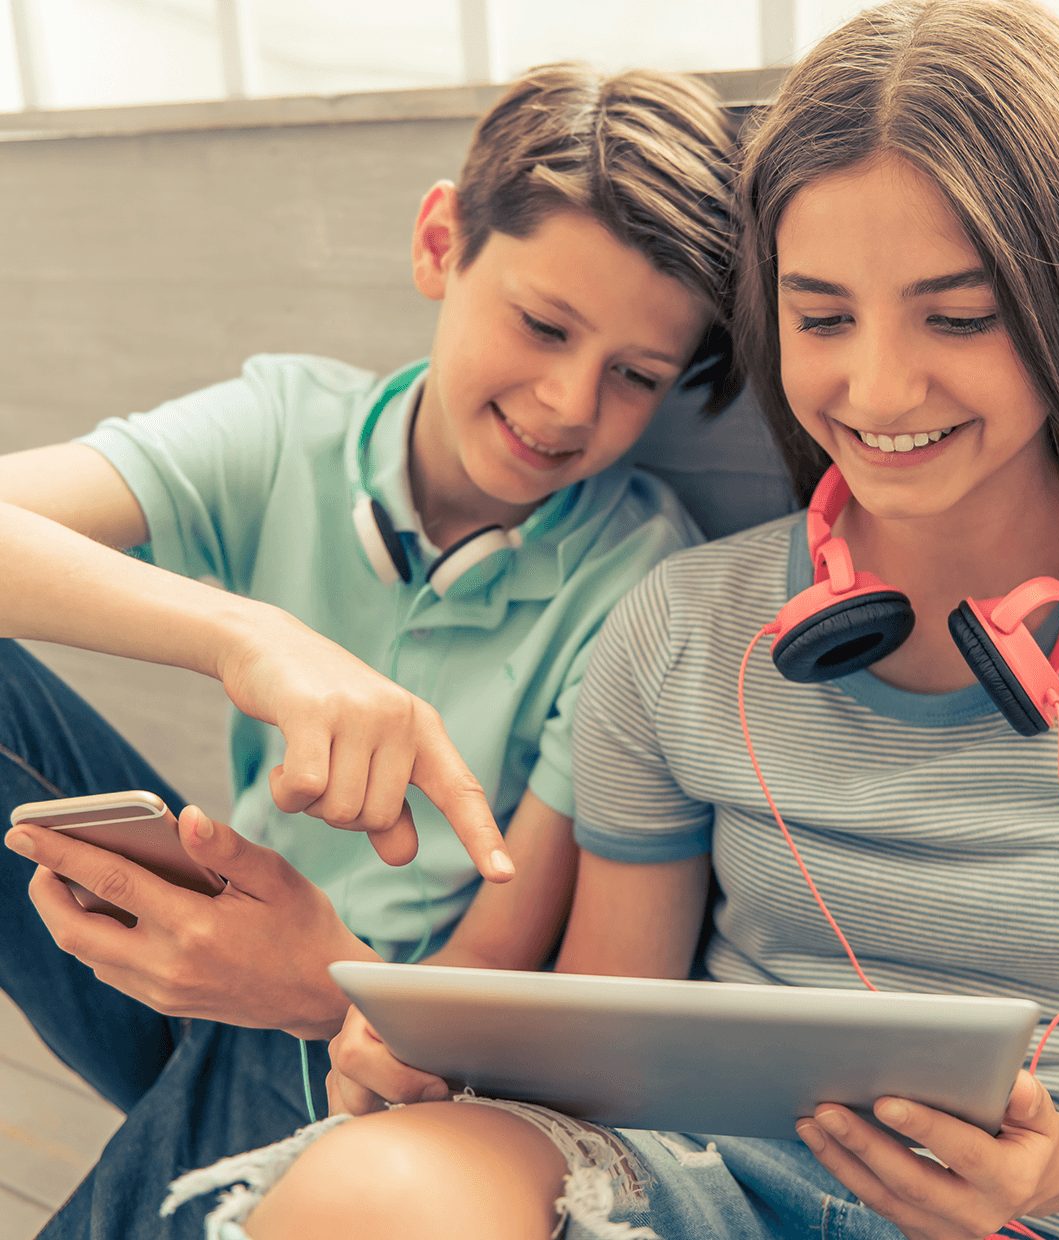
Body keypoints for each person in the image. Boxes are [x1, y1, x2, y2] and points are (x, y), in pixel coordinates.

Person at [226, 2, 1059, 1239]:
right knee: (369, 1187)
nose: (876, 390)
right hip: (692, 1187)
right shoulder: (681, 625)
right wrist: (430, 1058)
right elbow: (607, 1028)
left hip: (1031, 1217)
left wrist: (1058, 1162)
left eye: (957, 316)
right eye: (821, 319)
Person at [0, 63, 740, 1239]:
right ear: (442, 242)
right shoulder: (289, 426)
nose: (563, 403)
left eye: (634, 378)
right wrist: (248, 634)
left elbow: (492, 962)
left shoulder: (635, 579)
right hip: (177, 959)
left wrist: (315, 986)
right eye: (543, 325)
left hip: (370, 1046)